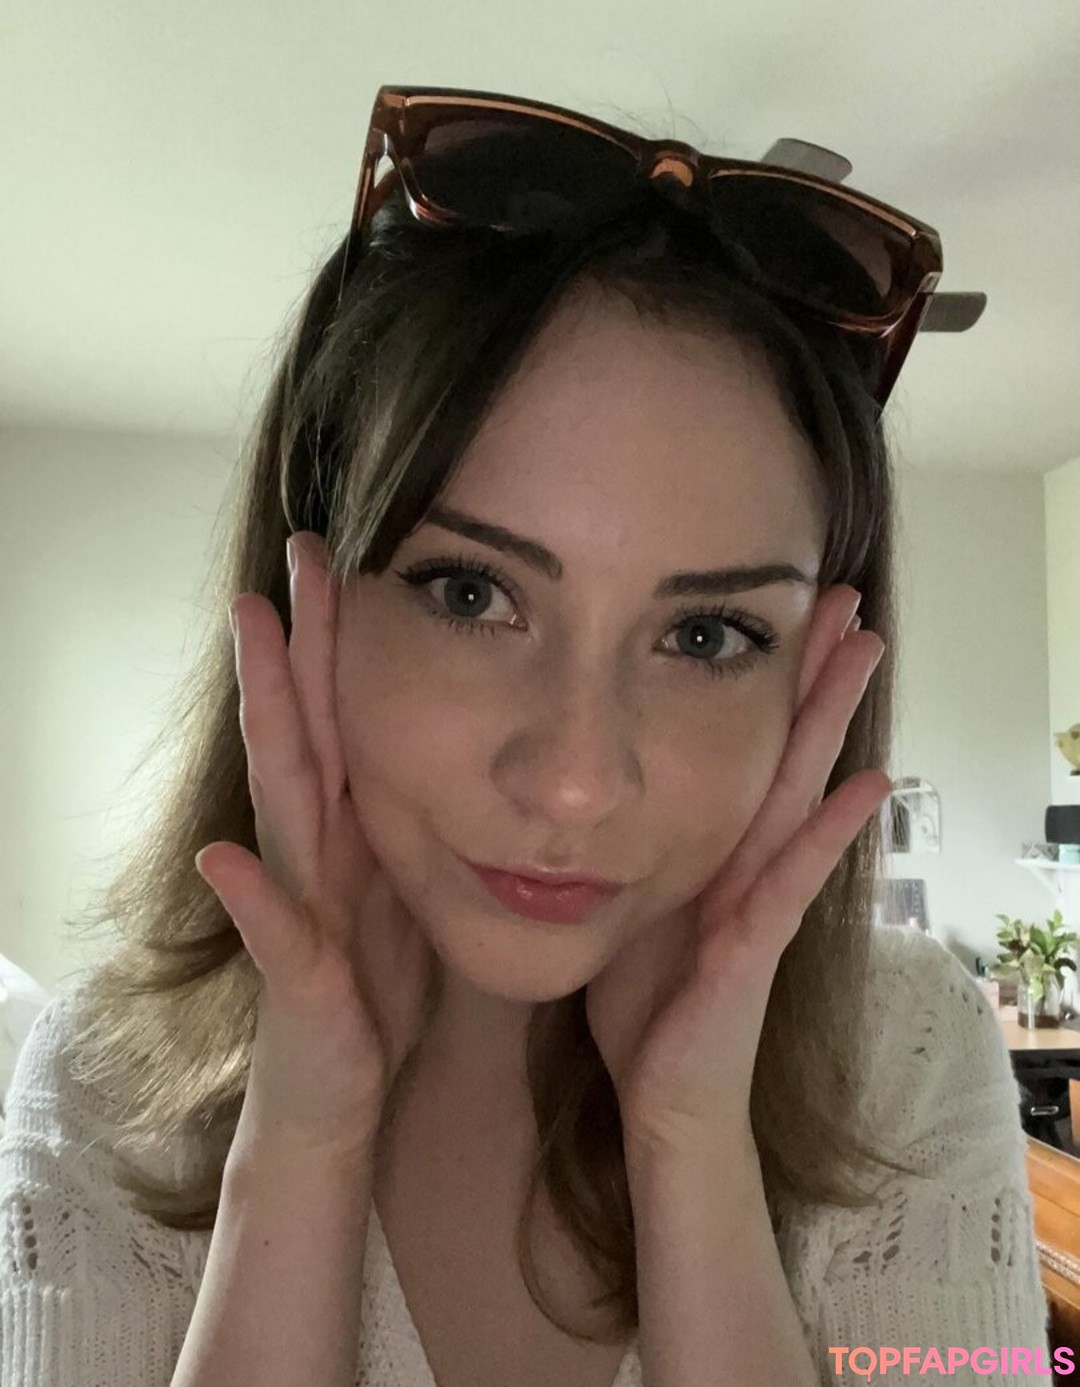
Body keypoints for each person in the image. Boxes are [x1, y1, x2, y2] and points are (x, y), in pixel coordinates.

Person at [0, 84, 1056, 1387]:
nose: (574, 782)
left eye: (706, 634)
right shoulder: (106, 1094)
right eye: (470, 594)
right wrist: (302, 1142)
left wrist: (693, 1147)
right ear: (308, 599)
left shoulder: (909, 1061)